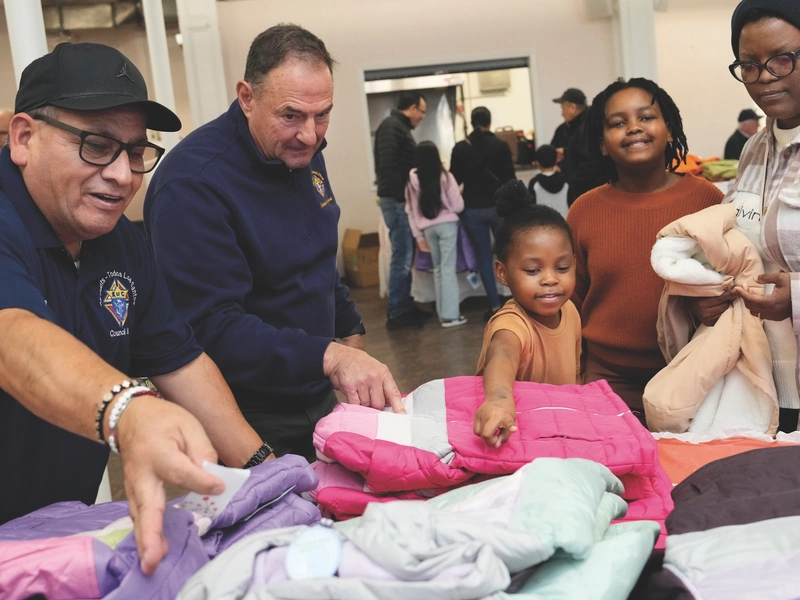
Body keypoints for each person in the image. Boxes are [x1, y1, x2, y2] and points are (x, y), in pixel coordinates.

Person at [0, 42, 269, 576]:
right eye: (97, 145)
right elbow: (12, 335)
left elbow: (179, 360)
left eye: (136, 151)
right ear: (24, 137)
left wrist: (265, 474)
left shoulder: (119, 240)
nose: (124, 175)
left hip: (50, 539)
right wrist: (129, 410)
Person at [145, 24, 405, 462]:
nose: (310, 133)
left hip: (317, 389)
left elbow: (320, 261)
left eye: (322, 114)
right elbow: (211, 328)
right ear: (247, 97)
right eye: (291, 115)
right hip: (244, 413)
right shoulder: (192, 184)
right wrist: (330, 356)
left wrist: (351, 335)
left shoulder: (301, 149)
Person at [566, 77, 723, 423]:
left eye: (646, 117)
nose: (633, 128)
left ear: (669, 130)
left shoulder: (708, 200)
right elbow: (570, 299)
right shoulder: (584, 210)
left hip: (690, 371)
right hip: (606, 379)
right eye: (618, 123)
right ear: (603, 144)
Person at [689, 0, 800, 433]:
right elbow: (741, 235)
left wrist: (796, 296)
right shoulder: (755, 148)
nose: (765, 77)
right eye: (749, 65)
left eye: (782, 59)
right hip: (768, 380)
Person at [473, 181, 581, 447]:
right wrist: (499, 400)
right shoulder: (511, 324)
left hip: (559, 431)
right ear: (502, 273)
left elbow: (576, 376)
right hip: (513, 434)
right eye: (533, 271)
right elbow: (503, 355)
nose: (549, 279)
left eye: (562, 267)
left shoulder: (570, 310)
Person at [449, 106, 516, 322]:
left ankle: (495, 305)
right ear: (489, 121)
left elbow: (454, 181)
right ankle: (518, 301)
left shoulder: (460, 148)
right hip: (499, 208)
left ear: (471, 122)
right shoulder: (501, 145)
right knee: (508, 255)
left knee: (484, 257)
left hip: (473, 210)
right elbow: (510, 179)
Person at [374, 91, 431, 330]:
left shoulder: (398, 127)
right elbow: (388, 167)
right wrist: (402, 200)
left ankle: (406, 307)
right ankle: (397, 313)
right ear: (412, 108)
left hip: (400, 201)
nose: (422, 117)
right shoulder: (391, 127)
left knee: (405, 257)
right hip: (397, 202)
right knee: (402, 258)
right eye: (422, 111)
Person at [405, 141, 466, 327]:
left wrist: (418, 237)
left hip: (427, 229)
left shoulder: (411, 182)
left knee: (439, 270)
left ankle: (442, 314)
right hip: (447, 226)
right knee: (448, 270)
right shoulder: (446, 177)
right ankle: (451, 316)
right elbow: (458, 205)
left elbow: (411, 211)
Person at [551, 87, 604, 206]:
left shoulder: (590, 126)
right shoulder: (562, 129)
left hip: (589, 194)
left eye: (563, 108)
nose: (562, 113)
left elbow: (589, 162)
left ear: (572, 108)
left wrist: (571, 184)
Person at [527, 144, 569, 217]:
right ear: (556, 160)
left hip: (542, 225)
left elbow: (530, 209)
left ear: (537, 163)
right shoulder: (566, 181)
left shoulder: (534, 183)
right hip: (564, 224)